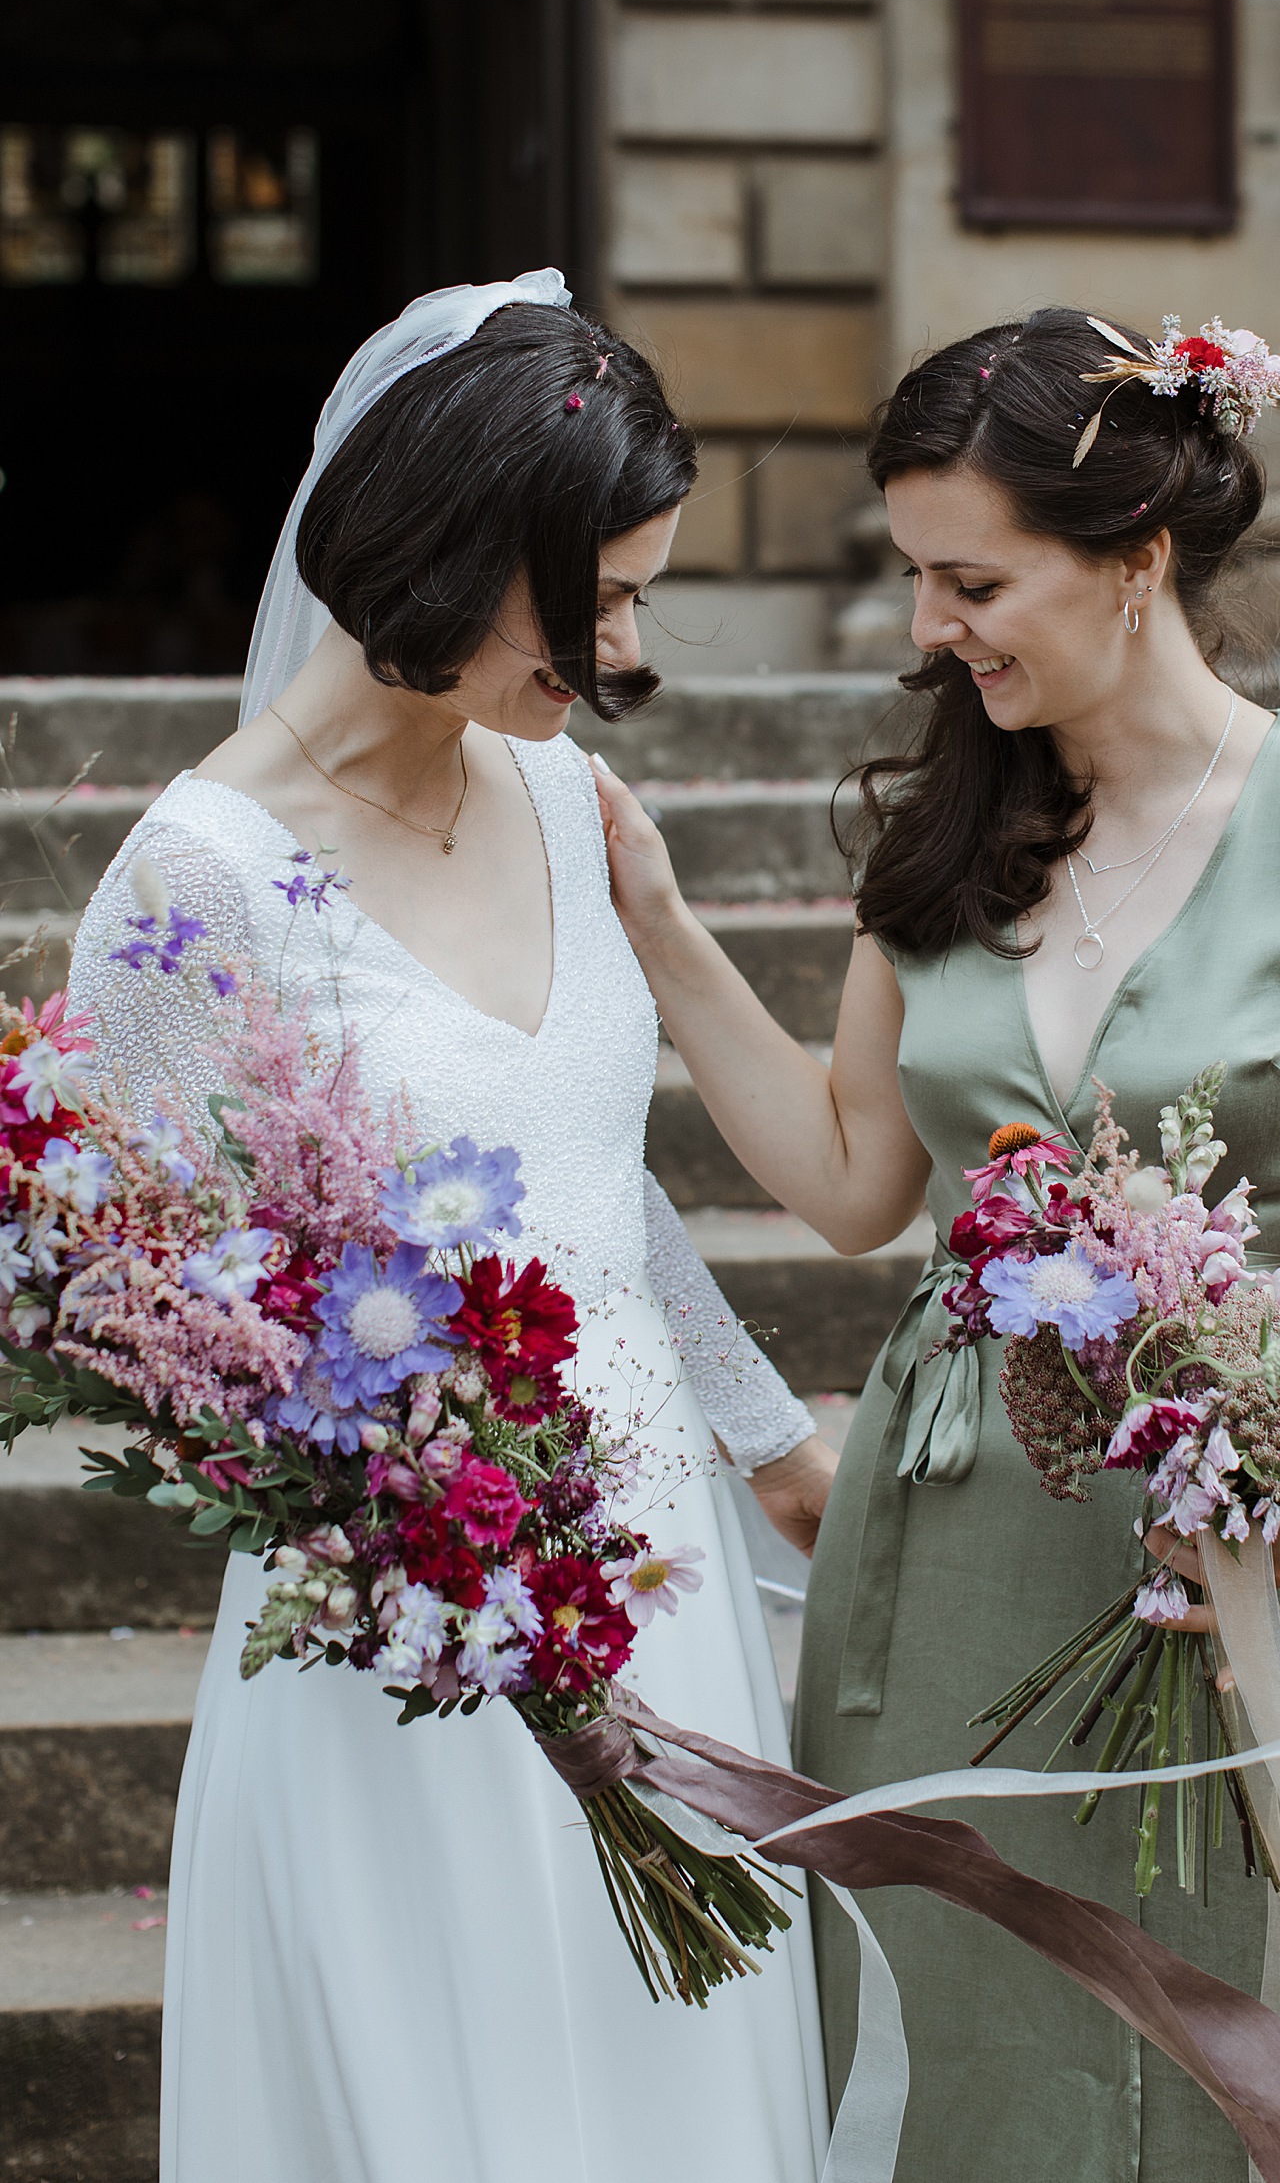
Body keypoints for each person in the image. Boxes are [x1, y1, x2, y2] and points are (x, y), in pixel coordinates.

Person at [592, 305, 1280, 2183]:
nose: (933, 626)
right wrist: (666, 933)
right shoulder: (943, 837)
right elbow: (854, 1187)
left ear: (1137, 560)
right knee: (963, 2022)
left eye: (970, 577)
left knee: (1252, 2016)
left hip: (1229, 1534)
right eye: (922, 578)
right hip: (947, 1529)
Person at [68, 271, 837, 2183]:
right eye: (607, 590)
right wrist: (406, 1516)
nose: (627, 643)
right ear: (455, 546)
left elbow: (594, 1170)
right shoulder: (198, 875)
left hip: (652, 1572)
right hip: (402, 1609)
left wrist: (767, 1440)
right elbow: (139, 1301)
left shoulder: (568, 789)